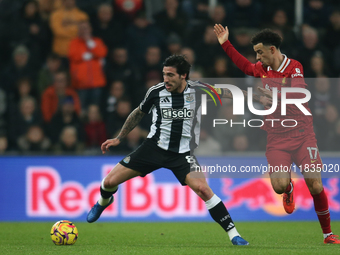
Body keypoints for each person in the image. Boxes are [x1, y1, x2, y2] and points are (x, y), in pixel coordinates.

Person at [87, 55, 249, 246]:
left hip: (183, 154)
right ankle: (104, 202)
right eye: (164, 74)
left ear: (183, 76)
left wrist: (257, 96)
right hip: (152, 149)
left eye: (171, 75)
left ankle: (234, 234)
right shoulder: (155, 92)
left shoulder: (198, 90)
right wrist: (119, 138)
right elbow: (138, 112)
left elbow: (228, 92)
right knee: (108, 182)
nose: (166, 79)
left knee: (204, 189)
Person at [214, 23, 340, 244]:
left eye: (259, 52)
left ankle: (328, 234)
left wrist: (276, 96)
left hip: (302, 134)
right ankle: (289, 186)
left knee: (316, 185)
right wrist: (226, 44)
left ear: (272, 50)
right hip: (277, 137)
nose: (257, 57)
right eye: (255, 53)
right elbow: (244, 66)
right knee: (279, 186)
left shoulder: (294, 67)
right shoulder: (261, 70)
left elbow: (300, 93)